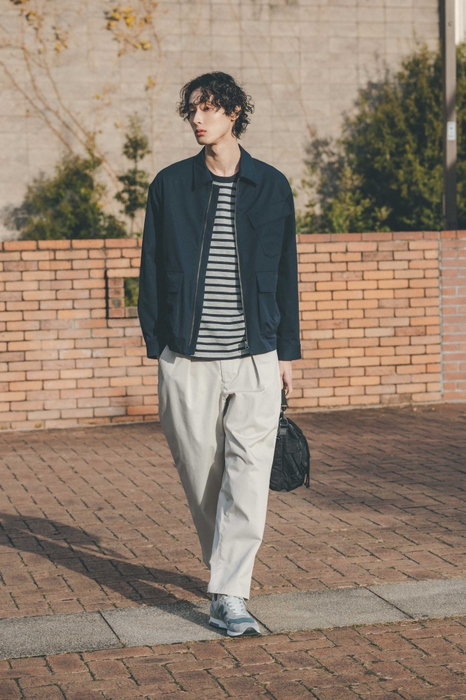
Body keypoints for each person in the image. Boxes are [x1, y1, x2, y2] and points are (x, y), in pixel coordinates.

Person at [138, 71, 301, 637]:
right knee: (203, 477)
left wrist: (286, 352)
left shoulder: (271, 185)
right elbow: (151, 266)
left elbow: (286, 274)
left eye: (208, 108)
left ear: (234, 113)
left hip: (256, 355)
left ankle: (230, 593)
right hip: (187, 359)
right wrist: (158, 345)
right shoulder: (170, 185)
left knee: (248, 477)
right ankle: (223, 570)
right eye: (192, 110)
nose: (197, 118)